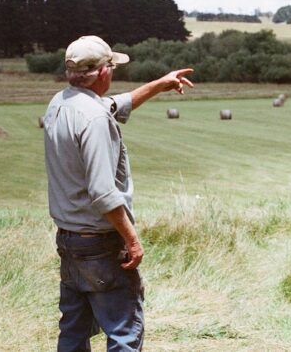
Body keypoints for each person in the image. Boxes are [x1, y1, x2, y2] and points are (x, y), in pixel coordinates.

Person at [43, 35, 193, 351]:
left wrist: (161, 84)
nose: (114, 71)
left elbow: (118, 104)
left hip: (70, 239)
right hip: (100, 243)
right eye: (111, 65)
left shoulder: (61, 103)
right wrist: (132, 240)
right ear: (102, 72)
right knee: (124, 333)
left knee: (73, 330)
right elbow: (103, 192)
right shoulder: (95, 119)